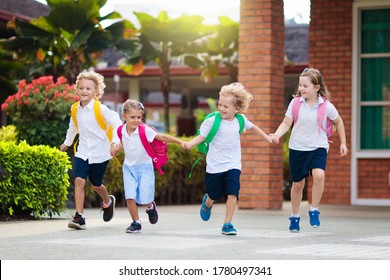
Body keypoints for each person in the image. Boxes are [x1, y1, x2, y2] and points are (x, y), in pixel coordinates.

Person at [183, 82, 273, 236]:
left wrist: (267, 138)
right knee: (215, 194)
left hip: (233, 164)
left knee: (233, 193)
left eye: (226, 106)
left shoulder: (240, 120)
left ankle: (227, 224)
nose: (222, 109)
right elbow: (202, 136)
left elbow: (253, 128)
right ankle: (208, 202)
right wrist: (190, 143)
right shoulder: (213, 121)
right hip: (215, 166)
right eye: (221, 104)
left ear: (236, 109)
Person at [270, 67, 348, 232]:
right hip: (297, 148)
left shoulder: (326, 106)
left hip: (318, 146)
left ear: (316, 88)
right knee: (298, 184)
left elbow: (339, 121)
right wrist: (277, 135)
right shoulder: (295, 103)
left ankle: (314, 209)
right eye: (300, 85)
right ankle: (295, 216)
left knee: (319, 175)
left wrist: (343, 143)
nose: (301, 89)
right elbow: (286, 123)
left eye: (305, 86)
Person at [60, 70, 122, 230]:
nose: (84, 91)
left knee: (95, 185)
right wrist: (67, 142)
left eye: (88, 88)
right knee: (79, 181)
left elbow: (117, 123)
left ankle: (108, 201)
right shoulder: (75, 109)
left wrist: (115, 142)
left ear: (96, 92)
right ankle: (79, 217)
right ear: (77, 90)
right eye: (81, 88)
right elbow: (73, 127)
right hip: (82, 151)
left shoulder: (100, 109)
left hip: (100, 153)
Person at [112, 99, 184, 233]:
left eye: (139, 117)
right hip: (128, 168)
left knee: (145, 198)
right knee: (130, 196)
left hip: (145, 168)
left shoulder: (145, 130)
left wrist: (181, 142)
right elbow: (124, 144)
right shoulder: (121, 130)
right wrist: (116, 148)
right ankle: (136, 222)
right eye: (132, 117)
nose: (136, 120)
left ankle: (150, 207)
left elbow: (163, 137)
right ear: (124, 117)